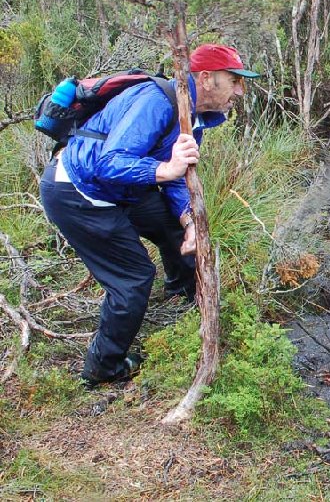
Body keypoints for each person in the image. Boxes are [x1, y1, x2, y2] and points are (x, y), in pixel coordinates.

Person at [39, 44, 259, 387]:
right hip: (78, 191)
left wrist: (188, 220)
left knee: (174, 228)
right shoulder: (156, 102)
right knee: (134, 276)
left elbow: (175, 179)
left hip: (120, 188)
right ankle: (104, 367)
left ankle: (185, 295)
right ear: (207, 79)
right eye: (234, 81)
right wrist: (167, 168)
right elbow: (110, 163)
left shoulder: (191, 116)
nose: (240, 91)